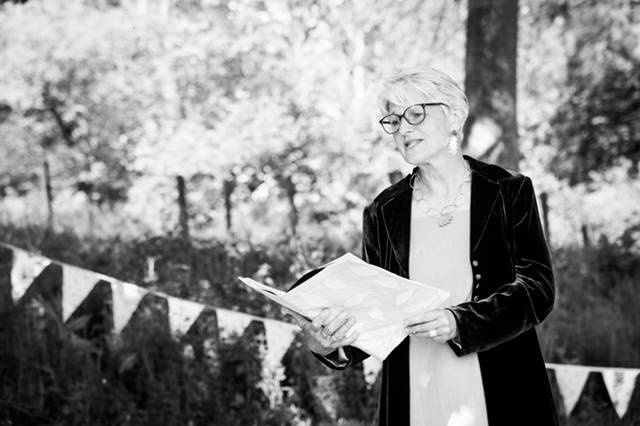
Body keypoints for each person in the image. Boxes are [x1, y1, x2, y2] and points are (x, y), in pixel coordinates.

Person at [290, 67, 558, 426]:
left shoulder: (509, 190)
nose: (403, 128)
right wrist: (329, 345)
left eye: (415, 113)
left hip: (501, 380)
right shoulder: (384, 210)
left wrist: (458, 322)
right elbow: (376, 311)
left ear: (454, 116)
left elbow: (537, 289)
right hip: (416, 387)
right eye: (393, 120)